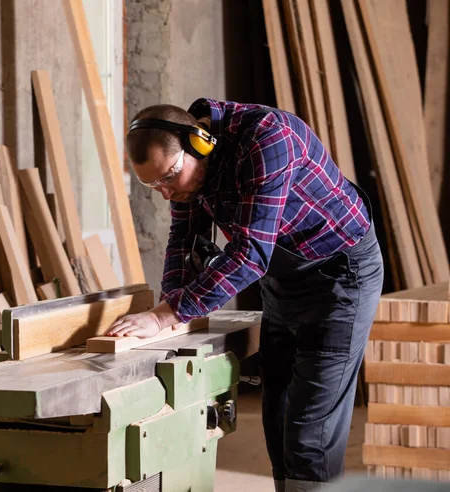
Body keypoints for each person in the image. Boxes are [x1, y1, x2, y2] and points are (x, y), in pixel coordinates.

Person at [106, 98, 384, 491]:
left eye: (168, 177)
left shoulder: (268, 140)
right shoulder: (188, 176)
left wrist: (165, 314)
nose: (166, 193)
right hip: (284, 278)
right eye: (153, 185)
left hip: (340, 277)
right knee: (279, 415)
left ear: (199, 143)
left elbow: (250, 256)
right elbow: (185, 240)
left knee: (310, 434)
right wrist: (169, 309)